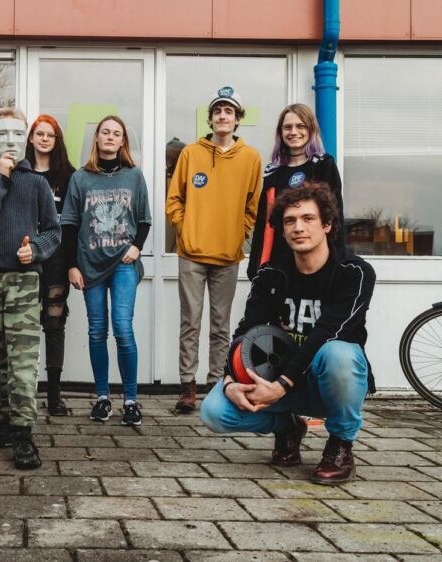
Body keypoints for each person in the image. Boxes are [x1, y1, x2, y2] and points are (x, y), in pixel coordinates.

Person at [200, 184, 375, 485]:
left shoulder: (353, 272)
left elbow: (324, 333)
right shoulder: (271, 275)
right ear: (282, 230)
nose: (298, 227)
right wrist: (229, 381)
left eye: (308, 218)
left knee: (339, 352)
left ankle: (341, 445)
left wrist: (280, 386)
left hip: (326, 385)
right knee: (214, 411)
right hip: (278, 382)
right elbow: (246, 333)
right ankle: (288, 426)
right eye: (290, 220)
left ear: (327, 224)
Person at [0, 107, 61, 469]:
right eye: (2, 134)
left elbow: (54, 231)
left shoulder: (37, 183)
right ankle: (2, 423)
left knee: (22, 360)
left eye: (17, 135)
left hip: (23, 281)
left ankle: (23, 434)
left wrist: (34, 250)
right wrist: (1, 180)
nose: (10, 141)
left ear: (27, 139)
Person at [166, 86, 262, 412]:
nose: (223, 116)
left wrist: (240, 232)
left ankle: (216, 383)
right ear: (211, 119)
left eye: (229, 112)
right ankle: (187, 387)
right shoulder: (191, 153)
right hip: (191, 253)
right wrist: (186, 226)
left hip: (227, 255)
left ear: (237, 121)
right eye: (218, 111)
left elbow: (254, 205)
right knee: (189, 322)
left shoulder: (250, 158)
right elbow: (174, 199)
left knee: (221, 325)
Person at [62, 115, 152, 426]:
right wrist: (71, 265)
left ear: (122, 141)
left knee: (123, 329)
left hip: (123, 263)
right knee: (96, 330)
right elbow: (70, 224)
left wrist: (136, 246)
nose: (111, 137)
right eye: (105, 132)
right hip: (89, 265)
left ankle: (130, 400)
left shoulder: (134, 176)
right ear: (97, 138)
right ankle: (102, 398)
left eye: (117, 133)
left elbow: (144, 219)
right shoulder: (81, 178)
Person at [247, 103, 344, 280]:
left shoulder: (323, 165)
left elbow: (334, 217)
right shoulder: (273, 171)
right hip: (278, 261)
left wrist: (336, 262)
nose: (293, 132)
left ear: (311, 130)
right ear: (280, 133)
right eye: (287, 127)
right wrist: (255, 266)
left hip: (314, 262)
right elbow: (264, 222)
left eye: (300, 126)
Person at [24, 114, 76, 416]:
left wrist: (72, 263)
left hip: (56, 260)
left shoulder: (69, 176)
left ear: (56, 141)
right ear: (30, 138)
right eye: (39, 134)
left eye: (50, 135)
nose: (44, 139)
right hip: (25, 259)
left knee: (54, 323)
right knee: (25, 326)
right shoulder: (20, 172)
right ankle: (25, 392)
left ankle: (54, 394)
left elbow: (72, 227)